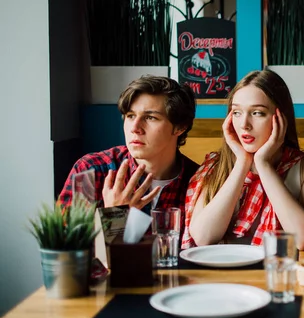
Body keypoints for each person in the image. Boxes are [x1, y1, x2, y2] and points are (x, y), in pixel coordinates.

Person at [181, 70, 304, 250]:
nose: (244, 124)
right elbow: (203, 237)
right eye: (236, 112)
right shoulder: (215, 164)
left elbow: (301, 239)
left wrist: (263, 164)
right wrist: (242, 164)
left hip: (277, 274)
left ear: (281, 118)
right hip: (223, 275)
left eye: (257, 113)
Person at [57, 76, 199, 217]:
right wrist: (115, 215)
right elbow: (66, 239)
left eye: (150, 117)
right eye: (130, 116)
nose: (135, 128)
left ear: (180, 127)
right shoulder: (90, 170)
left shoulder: (199, 181)